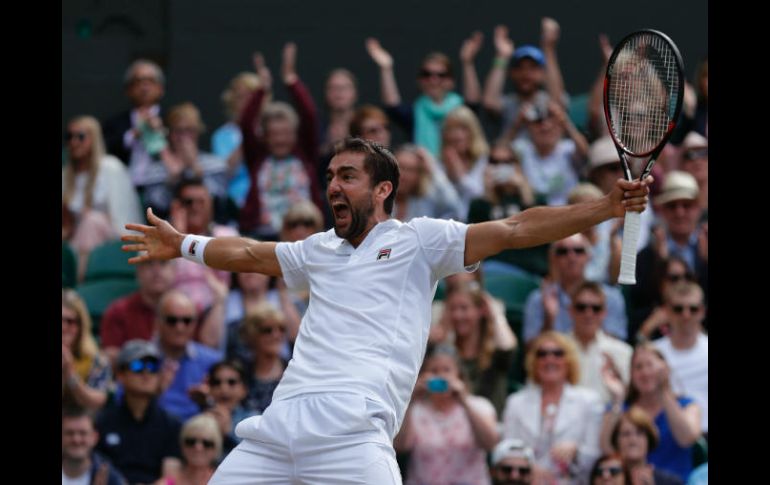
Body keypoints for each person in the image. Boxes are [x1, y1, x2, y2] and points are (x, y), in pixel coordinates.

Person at [122, 137, 650, 484]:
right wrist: (183, 243)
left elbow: (514, 230)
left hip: (354, 431)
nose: (333, 185)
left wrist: (604, 207)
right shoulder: (317, 249)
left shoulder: (421, 240)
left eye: (347, 175)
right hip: (278, 429)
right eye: (330, 175)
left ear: (382, 189)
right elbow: (250, 253)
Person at [394, 345, 498, 485]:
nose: (441, 376)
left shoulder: (480, 405)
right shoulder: (415, 410)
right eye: (434, 371)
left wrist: (464, 401)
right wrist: (412, 400)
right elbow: (400, 447)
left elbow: (490, 443)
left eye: (446, 370)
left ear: (458, 374)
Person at [62, 408, 127, 485]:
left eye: (83, 433)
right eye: (69, 433)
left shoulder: (110, 478)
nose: (76, 440)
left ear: (95, 437)